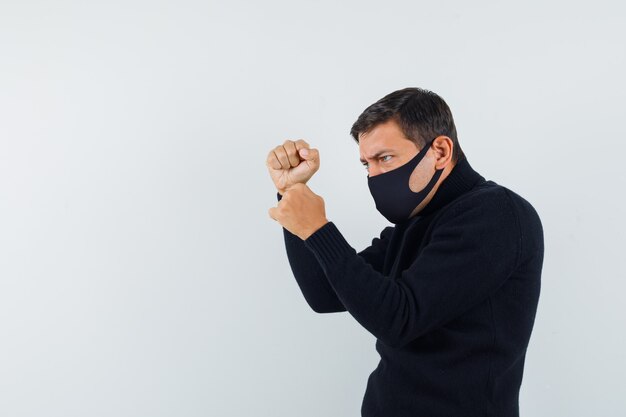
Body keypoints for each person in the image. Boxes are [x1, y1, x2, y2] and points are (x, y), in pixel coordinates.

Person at [266, 87, 544, 417]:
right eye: (366, 164)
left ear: (440, 150)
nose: (374, 175)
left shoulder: (496, 215)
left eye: (385, 158)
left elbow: (399, 320)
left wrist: (317, 228)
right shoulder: (417, 222)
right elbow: (325, 294)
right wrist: (292, 191)